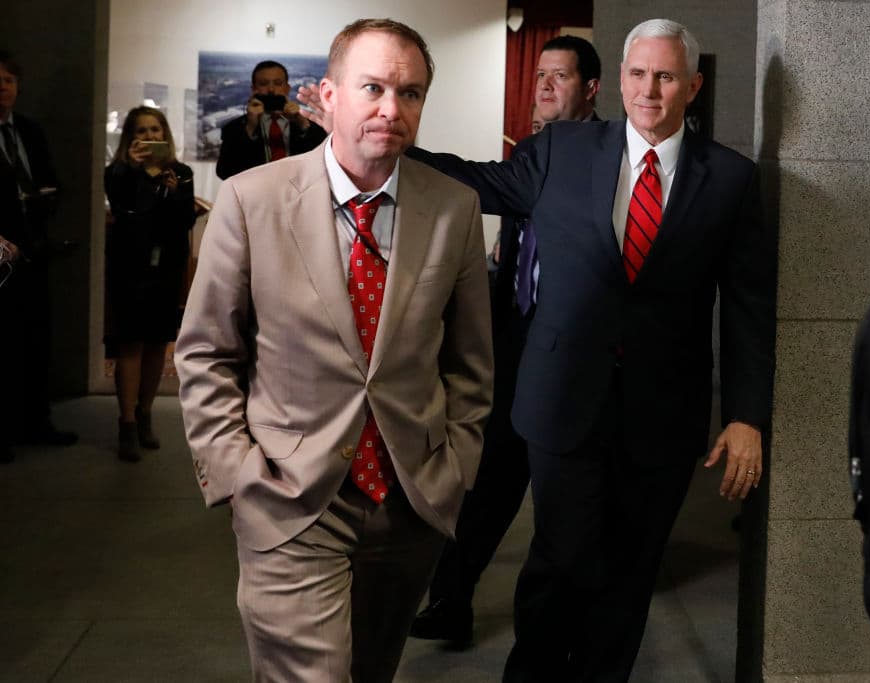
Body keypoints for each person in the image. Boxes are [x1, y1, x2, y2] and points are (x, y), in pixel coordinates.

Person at [405, 18, 776, 681]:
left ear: (692, 85)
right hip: (561, 402)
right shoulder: (566, 150)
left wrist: (745, 416)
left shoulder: (731, 180)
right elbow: (477, 183)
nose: (649, 91)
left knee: (630, 573)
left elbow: (748, 309)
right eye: (638, 74)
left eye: (665, 77)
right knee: (560, 559)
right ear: (622, 80)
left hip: (663, 417)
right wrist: (384, 146)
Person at [175, 18, 493, 682]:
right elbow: (206, 351)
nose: (391, 108)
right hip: (288, 493)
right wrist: (236, 472)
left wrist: (455, 460)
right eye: (372, 87)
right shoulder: (250, 200)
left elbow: (470, 361)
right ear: (327, 95)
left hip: (410, 500)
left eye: (410, 93)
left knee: (372, 671)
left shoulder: (455, 208)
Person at [409, 34, 603, 646]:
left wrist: (396, 149)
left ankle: (557, 629)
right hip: (515, 342)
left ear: (592, 88)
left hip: (573, 355)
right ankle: (450, 602)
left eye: (560, 77)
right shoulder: (535, 150)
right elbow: (489, 194)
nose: (543, 86)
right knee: (487, 480)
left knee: (560, 496)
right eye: (539, 74)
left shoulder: (604, 154)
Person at [104, 106, 195, 462]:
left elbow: (185, 220)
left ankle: (145, 413)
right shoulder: (119, 172)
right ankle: (125, 422)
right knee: (130, 344)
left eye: (155, 129)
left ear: (165, 134)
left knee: (157, 344)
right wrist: (132, 169)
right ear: (131, 136)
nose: (149, 136)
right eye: (141, 130)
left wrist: (171, 191)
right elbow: (123, 209)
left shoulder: (181, 173)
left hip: (166, 269)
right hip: (130, 268)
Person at [0, 50, 77, 464]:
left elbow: (49, 177)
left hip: (33, 248)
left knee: (35, 338)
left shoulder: (28, 130)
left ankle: (36, 421)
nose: (3, 88)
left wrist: (48, 197)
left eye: (9, 80)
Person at [215, 60, 327, 179]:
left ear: (287, 88)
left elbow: (322, 165)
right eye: (263, 84)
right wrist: (250, 127)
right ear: (254, 89)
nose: (271, 89)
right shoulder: (234, 129)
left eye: (278, 83)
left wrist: (301, 121)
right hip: (256, 194)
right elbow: (224, 172)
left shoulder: (301, 123)